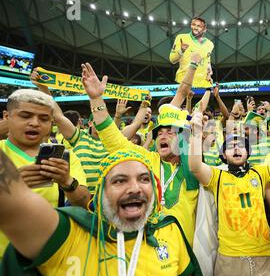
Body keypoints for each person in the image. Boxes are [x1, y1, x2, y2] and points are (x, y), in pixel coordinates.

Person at [0, 149, 207, 276]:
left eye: (144, 179)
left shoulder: (167, 231)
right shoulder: (68, 232)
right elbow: (12, 203)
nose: (135, 188)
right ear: (100, 194)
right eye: (119, 180)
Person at [189, 101, 270, 276]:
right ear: (223, 155)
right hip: (228, 262)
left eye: (241, 146)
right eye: (231, 146)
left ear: (248, 152)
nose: (237, 149)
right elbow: (195, 167)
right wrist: (196, 134)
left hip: (265, 258)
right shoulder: (217, 176)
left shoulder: (260, 173)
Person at [83, 54, 202, 247]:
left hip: (185, 255)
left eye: (170, 132)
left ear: (182, 139)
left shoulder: (192, 166)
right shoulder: (147, 160)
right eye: (159, 133)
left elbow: (182, 92)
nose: (162, 136)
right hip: (147, 251)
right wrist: (96, 99)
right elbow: (113, 141)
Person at [0, 89, 90, 259]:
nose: (35, 123)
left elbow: (84, 204)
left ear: (51, 123)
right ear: (7, 117)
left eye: (43, 119)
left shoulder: (66, 158)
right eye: (25, 116)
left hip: (50, 262)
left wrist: (68, 182)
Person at [30, 68, 109, 195]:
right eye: (96, 120)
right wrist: (43, 88)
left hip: (107, 198)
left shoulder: (113, 141)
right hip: (78, 197)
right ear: (89, 123)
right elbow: (58, 117)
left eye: (103, 120)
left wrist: (144, 107)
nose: (100, 123)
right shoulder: (79, 137)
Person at [169, 17, 214, 88]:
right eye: (194, 24)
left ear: (205, 29)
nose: (195, 27)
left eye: (199, 26)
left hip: (202, 84)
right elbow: (172, 60)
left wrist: (209, 75)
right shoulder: (181, 38)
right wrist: (181, 50)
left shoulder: (210, 44)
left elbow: (207, 61)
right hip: (184, 81)